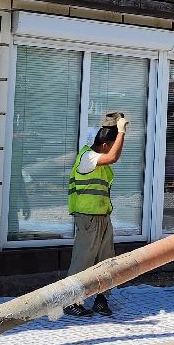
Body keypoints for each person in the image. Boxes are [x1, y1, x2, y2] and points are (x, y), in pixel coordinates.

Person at [63, 114, 129, 316]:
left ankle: (101, 299)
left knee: (106, 260)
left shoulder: (97, 161)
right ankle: (70, 302)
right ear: (103, 144)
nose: (113, 147)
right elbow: (113, 157)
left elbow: (111, 158)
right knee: (83, 260)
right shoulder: (87, 158)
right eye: (112, 143)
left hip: (101, 217)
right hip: (88, 218)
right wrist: (122, 131)